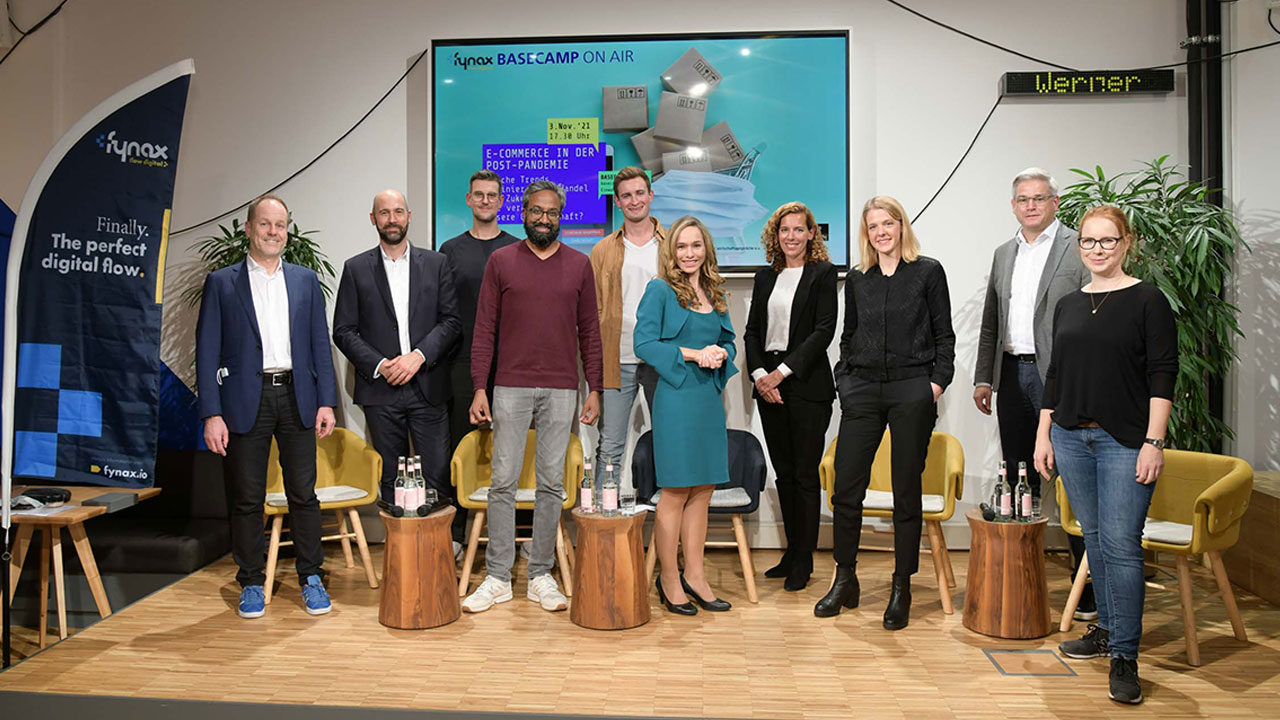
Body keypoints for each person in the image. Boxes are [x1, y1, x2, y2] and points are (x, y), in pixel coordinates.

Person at [1035, 205, 1177, 705]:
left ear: (1126, 243)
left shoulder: (1148, 300)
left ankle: (1125, 656)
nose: (1098, 249)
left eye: (1107, 240)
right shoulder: (1069, 304)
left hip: (1124, 442)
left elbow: (1163, 374)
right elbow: (1056, 374)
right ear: (1080, 247)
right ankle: (1108, 633)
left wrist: (1154, 442)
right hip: (1071, 438)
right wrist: (1044, 434)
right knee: (1094, 540)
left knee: (1121, 546)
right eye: (1089, 241)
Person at [462, 180, 603, 614]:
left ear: (561, 217)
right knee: (502, 482)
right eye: (537, 211)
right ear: (523, 213)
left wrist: (595, 387)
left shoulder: (579, 265)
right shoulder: (501, 261)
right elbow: (484, 329)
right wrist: (480, 386)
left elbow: (590, 332)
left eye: (552, 212)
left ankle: (541, 574)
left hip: (562, 388)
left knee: (551, 484)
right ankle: (498, 577)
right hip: (509, 386)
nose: (544, 219)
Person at [196, 194, 338, 619]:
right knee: (246, 498)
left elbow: (319, 345)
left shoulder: (305, 280)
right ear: (248, 228)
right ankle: (252, 582)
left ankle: (311, 577)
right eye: (265, 224)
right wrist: (211, 413)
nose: (273, 232)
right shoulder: (222, 282)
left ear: (287, 230)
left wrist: (326, 402)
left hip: (297, 397)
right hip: (244, 401)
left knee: (304, 494)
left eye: (280, 225)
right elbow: (206, 350)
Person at [816, 196, 955, 630]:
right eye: (873, 226)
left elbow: (944, 335)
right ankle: (845, 578)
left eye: (887, 223)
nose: (881, 232)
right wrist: (845, 380)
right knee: (846, 488)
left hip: (912, 388)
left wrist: (935, 384)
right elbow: (848, 335)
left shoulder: (928, 271)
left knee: (905, 491)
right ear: (867, 233)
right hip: (862, 388)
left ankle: (901, 586)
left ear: (901, 226)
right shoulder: (859, 279)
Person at [974, 167, 1093, 619]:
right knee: (1018, 475)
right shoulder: (1004, 253)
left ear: (1054, 203)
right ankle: (1021, 575)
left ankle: (1086, 585)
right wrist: (983, 377)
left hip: (1059, 378)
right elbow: (991, 320)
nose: (1030, 206)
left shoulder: (1077, 248)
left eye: (1039, 198)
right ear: (1013, 206)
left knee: (1070, 479)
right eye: (1023, 199)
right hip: (1011, 374)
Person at [332, 189, 461, 522]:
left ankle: (435, 552)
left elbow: (451, 321)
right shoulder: (356, 268)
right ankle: (399, 553)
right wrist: (380, 364)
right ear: (373, 219)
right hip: (381, 389)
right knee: (391, 481)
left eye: (398, 212)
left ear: (409, 216)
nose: (392, 219)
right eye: (384, 213)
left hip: (428, 385)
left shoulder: (436, 263)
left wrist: (418, 356)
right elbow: (343, 330)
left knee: (437, 478)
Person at [634, 215, 738, 616]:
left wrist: (722, 353)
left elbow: (728, 340)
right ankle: (669, 579)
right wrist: (695, 354)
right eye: (681, 246)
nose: (689, 253)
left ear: (706, 249)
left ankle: (695, 575)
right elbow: (644, 343)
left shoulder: (715, 291)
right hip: (676, 398)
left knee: (704, 488)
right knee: (676, 490)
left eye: (696, 245)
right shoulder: (659, 290)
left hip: (708, 398)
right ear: (671, 251)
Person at [743, 201, 837, 592]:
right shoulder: (765, 276)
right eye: (784, 230)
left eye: (799, 229)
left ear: (811, 233)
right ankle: (791, 551)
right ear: (775, 235)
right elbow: (752, 332)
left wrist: (781, 374)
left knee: (804, 475)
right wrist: (761, 376)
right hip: (769, 386)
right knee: (784, 474)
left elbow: (823, 331)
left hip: (806, 386)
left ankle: (804, 558)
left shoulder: (823, 274)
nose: (791, 236)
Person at [440, 170, 520, 550]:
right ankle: (457, 534)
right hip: (461, 363)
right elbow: (442, 311)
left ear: (502, 202)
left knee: (514, 449)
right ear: (469, 200)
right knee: (461, 448)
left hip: (510, 366)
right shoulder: (449, 250)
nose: (485, 201)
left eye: (492, 195)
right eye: (479, 195)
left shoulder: (518, 249)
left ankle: (519, 532)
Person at [589, 166, 664, 474]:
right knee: (610, 445)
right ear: (617, 202)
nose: (634, 201)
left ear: (650, 195)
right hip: (617, 360)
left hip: (662, 357)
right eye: (626, 196)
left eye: (639, 193)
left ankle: (667, 505)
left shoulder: (673, 245)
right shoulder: (602, 250)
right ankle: (602, 506)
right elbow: (593, 310)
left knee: (668, 439)